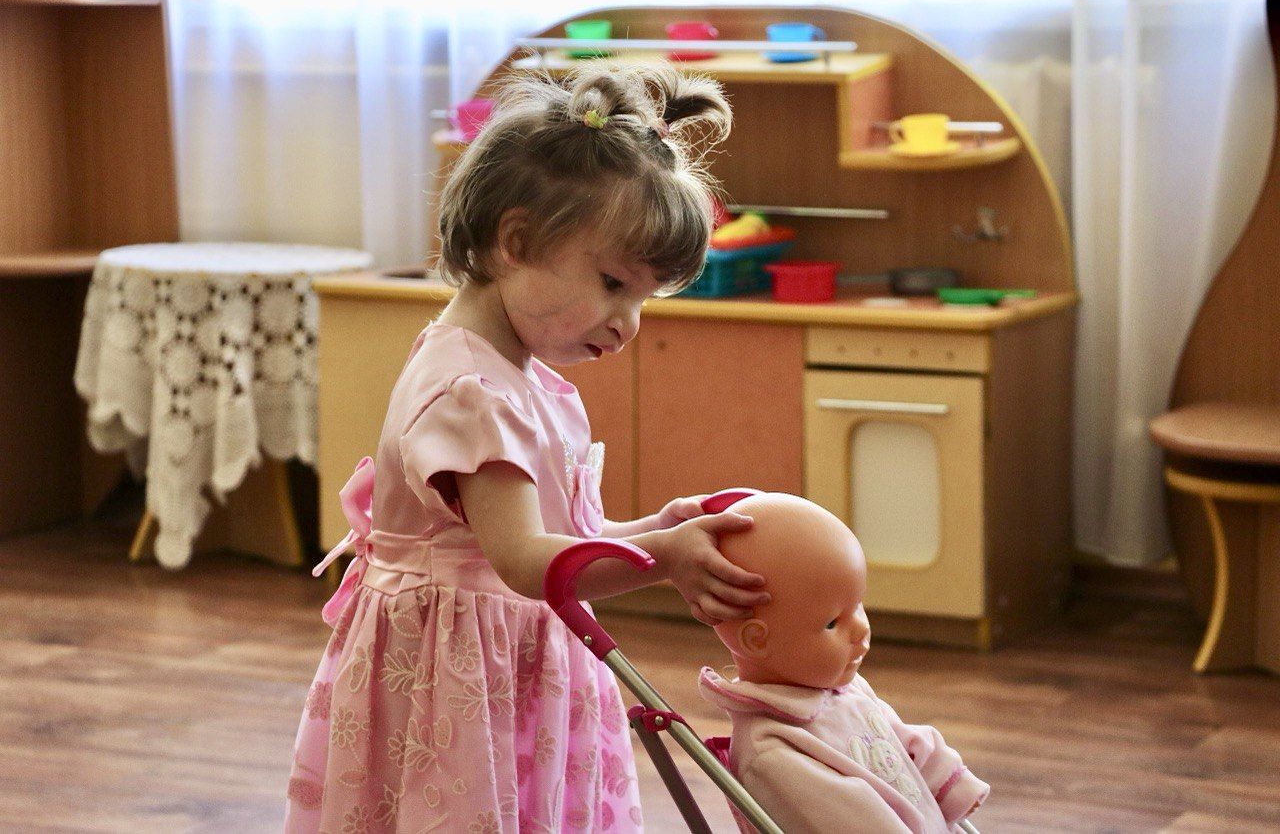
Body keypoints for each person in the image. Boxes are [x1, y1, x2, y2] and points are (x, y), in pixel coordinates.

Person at [284, 60, 772, 832]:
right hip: (458, 684)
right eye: (614, 284)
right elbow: (522, 561)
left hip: (501, 671)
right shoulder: (471, 393)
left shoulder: (509, 374)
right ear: (517, 241)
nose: (629, 324)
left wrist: (655, 530)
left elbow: (552, 543)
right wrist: (663, 559)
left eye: (645, 298)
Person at [698, 492, 989, 833]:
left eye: (858, 605)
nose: (861, 628)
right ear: (757, 640)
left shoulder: (843, 689)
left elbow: (899, 740)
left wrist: (947, 781)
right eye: (833, 622)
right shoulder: (772, 752)